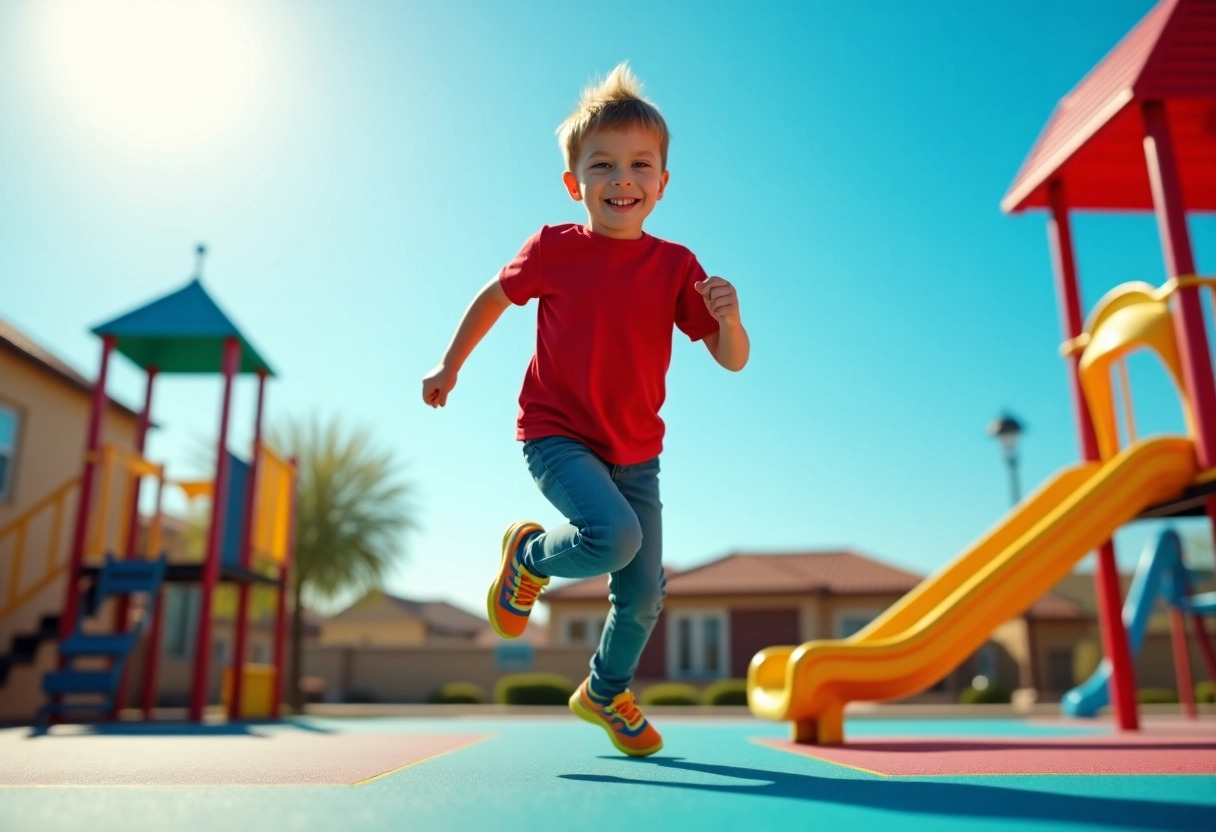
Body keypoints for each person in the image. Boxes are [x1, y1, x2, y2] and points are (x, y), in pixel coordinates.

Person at [421, 62, 749, 757]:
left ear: (662, 184)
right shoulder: (554, 249)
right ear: (575, 184)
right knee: (615, 536)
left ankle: (604, 691)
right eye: (602, 166)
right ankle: (530, 560)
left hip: (638, 455)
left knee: (644, 595)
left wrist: (731, 320)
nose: (621, 179)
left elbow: (730, 358)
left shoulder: (677, 266)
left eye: (639, 166)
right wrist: (451, 363)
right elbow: (491, 298)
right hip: (558, 434)